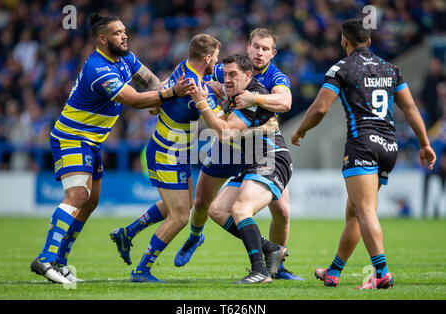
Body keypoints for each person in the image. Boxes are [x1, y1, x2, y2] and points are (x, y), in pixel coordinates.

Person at [30, 14, 195, 284]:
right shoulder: (99, 69)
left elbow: (150, 80)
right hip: (72, 137)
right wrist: (168, 94)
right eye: (118, 33)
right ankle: (46, 258)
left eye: (125, 31)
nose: (124, 36)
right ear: (103, 39)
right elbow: (133, 99)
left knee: (91, 200)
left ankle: (60, 261)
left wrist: (161, 94)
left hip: (91, 141)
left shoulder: (126, 58)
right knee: (77, 195)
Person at [291, 17, 437, 289]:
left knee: (365, 210)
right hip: (389, 147)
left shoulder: (341, 68)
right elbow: (410, 109)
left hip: (362, 146)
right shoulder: (390, 68)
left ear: (343, 40)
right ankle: (334, 272)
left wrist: (300, 131)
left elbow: (320, 108)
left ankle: (381, 273)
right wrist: (425, 143)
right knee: (355, 212)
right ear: (369, 41)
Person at [174, 28, 303, 281]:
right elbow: (204, 81)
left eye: (265, 49)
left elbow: (285, 103)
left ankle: (272, 268)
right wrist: (205, 89)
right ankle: (195, 237)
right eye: (256, 47)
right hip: (237, 149)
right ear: (248, 48)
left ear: (272, 54)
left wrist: (250, 99)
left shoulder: (268, 81)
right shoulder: (229, 73)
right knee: (207, 206)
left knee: (275, 210)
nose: (260, 52)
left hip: (263, 151)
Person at [111, 34, 222, 283]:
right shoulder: (196, 87)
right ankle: (142, 269)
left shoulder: (184, 68)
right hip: (168, 153)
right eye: (215, 57)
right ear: (207, 58)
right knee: (180, 216)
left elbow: (164, 88)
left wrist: (163, 100)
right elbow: (217, 125)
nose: (217, 61)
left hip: (172, 149)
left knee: (186, 203)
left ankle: (128, 233)